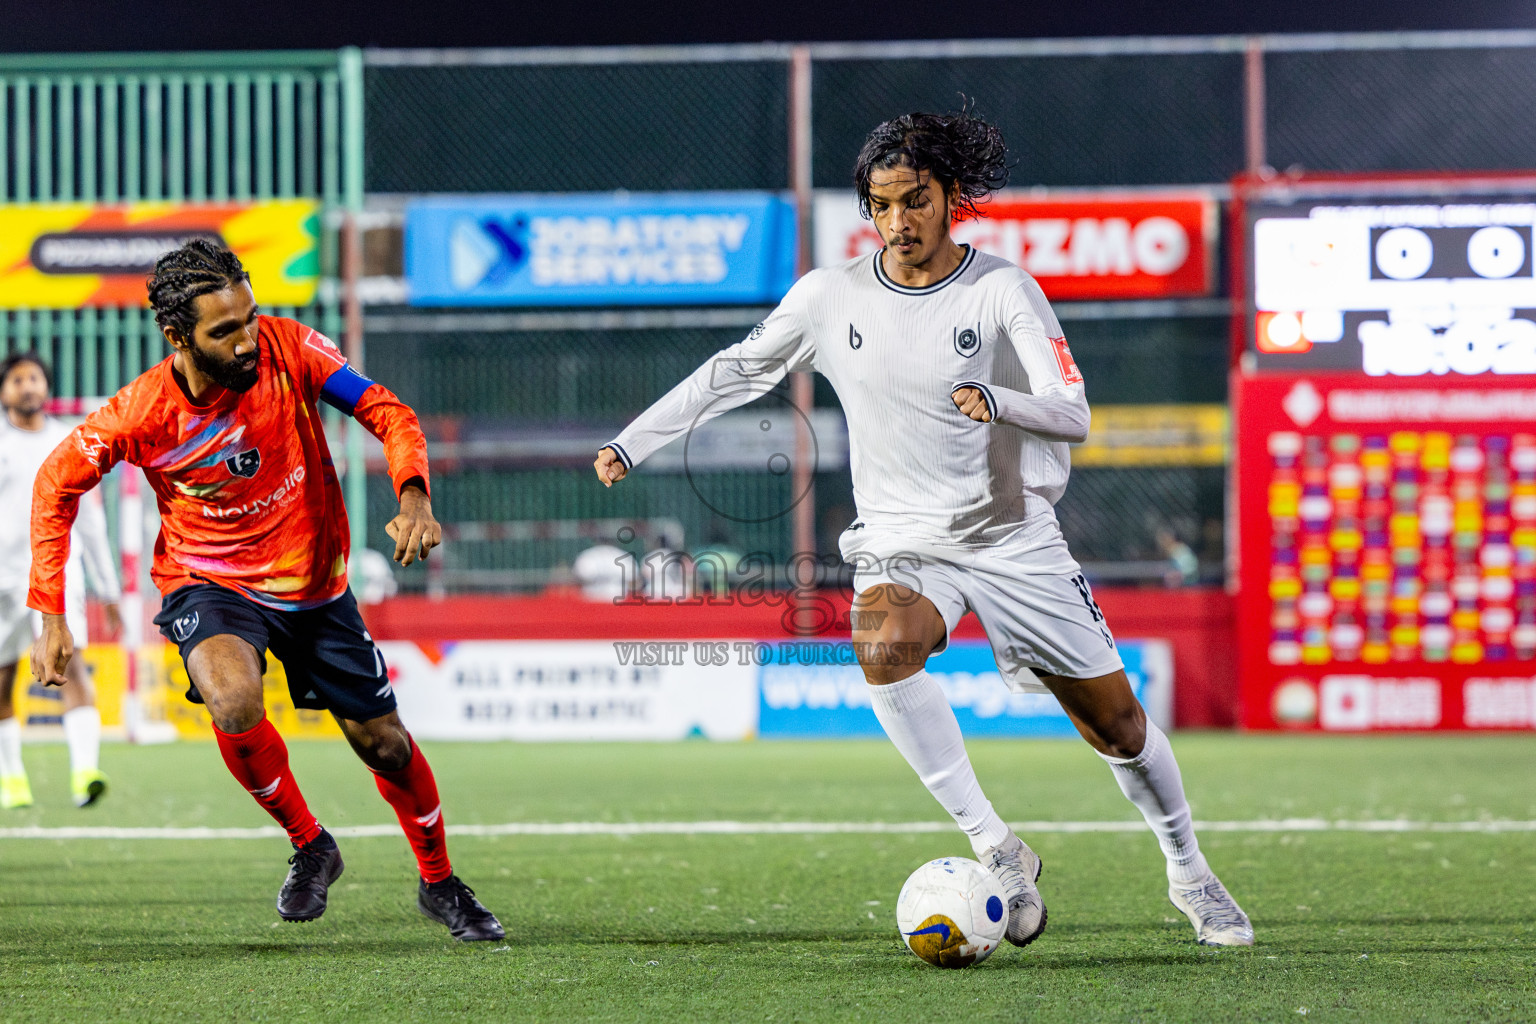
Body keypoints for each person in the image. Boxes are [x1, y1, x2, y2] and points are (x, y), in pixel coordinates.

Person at [594, 110, 1253, 948]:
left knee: (1116, 727)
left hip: (1012, 536)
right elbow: (734, 371)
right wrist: (632, 441)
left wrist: (999, 402)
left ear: (950, 200)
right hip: (904, 539)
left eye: (916, 200)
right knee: (881, 642)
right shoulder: (830, 297)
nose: (898, 222)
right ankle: (997, 846)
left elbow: (1073, 411)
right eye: (881, 204)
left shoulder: (1001, 288)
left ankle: (1189, 871)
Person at [28, 240, 503, 941]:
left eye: (249, 319)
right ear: (177, 337)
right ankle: (311, 843)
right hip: (208, 579)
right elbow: (55, 483)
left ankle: (439, 883)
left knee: (386, 746)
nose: (247, 339)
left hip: (313, 584)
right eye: (225, 331)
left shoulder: (291, 348)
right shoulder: (139, 414)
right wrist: (52, 612)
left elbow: (386, 411)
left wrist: (413, 495)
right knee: (231, 695)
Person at [0, 353, 121, 809]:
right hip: (3, 579)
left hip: (56, 574)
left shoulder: (68, 443)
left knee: (70, 665)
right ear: (4, 391)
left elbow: (89, 522)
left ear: (46, 388)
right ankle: (11, 777)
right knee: (2, 681)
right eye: (17, 379)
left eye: (34, 378)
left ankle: (85, 771)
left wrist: (107, 589)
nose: (27, 386)